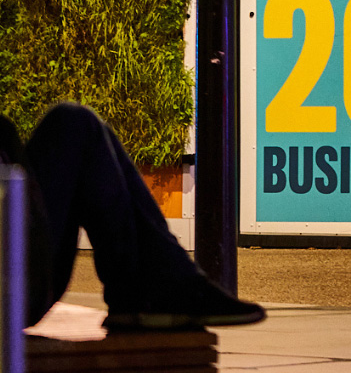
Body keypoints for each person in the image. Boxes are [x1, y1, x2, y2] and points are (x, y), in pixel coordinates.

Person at [0, 103, 265, 331]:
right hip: (13, 286)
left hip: (16, 276)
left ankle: (157, 286)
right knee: (74, 125)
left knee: (75, 122)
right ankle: (155, 289)